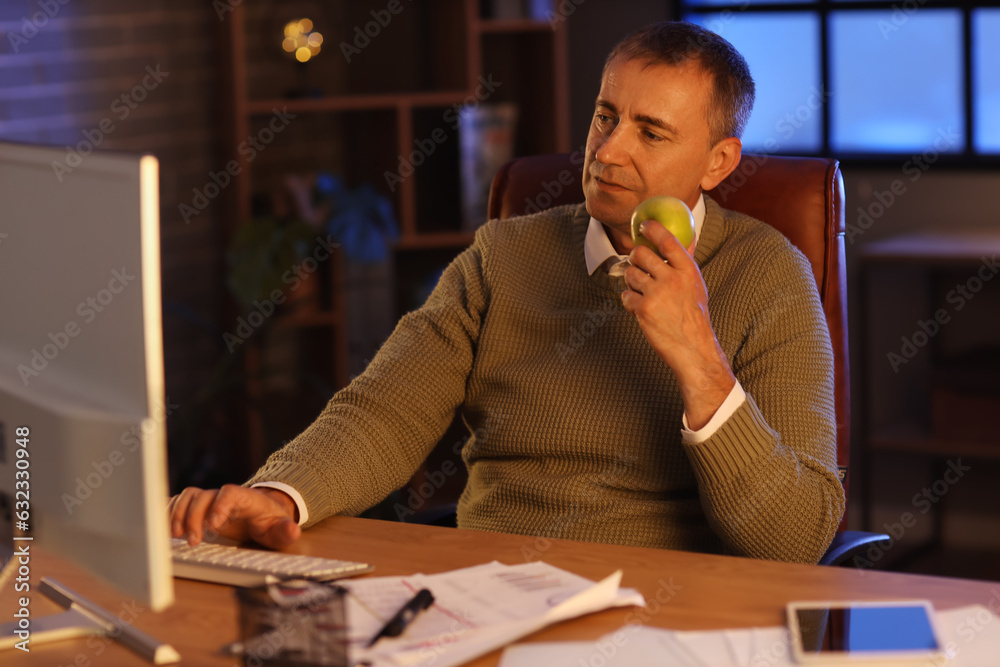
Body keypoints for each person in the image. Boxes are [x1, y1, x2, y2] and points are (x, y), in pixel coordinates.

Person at [170, 21, 845, 564]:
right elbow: (385, 409)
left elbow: (792, 539)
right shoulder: (505, 254)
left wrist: (699, 358)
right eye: (605, 117)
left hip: (663, 610)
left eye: (651, 132)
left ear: (717, 162)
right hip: (490, 586)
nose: (607, 152)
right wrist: (282, 496)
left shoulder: (769, 276)